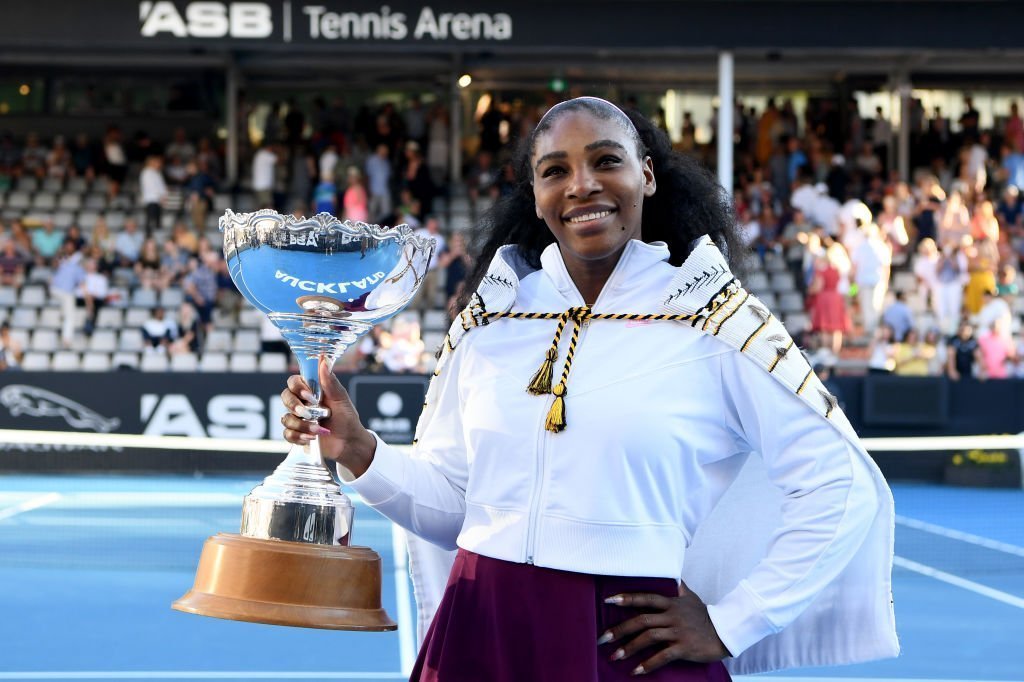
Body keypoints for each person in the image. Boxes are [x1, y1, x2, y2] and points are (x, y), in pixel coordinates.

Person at [278, 97, 898, 680]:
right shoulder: (492, 320)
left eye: (606, 161)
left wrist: (735, 621)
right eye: (556, 170)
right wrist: (359, 449)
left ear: (647, 176)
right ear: (538, 193)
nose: (582, 185)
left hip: (626, 643)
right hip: (481, 627)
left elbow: (839, 486)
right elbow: (462, 510)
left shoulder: (715, 319)